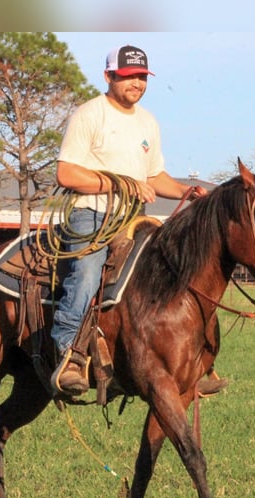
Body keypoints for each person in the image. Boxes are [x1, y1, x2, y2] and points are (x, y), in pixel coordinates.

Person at [50, 44, 208, 396]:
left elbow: (154, 178)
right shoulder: (89, 115)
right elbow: (66, 173)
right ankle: (67, 353)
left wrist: (187, 190)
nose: (136, 83)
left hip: (134, 219)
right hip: (90, 215)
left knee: (177, 271)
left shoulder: (147, 122)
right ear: (108, 76)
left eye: (141, 77)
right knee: (88, 272)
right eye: (128, 76)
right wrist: (122, 183)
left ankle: (188, 360)